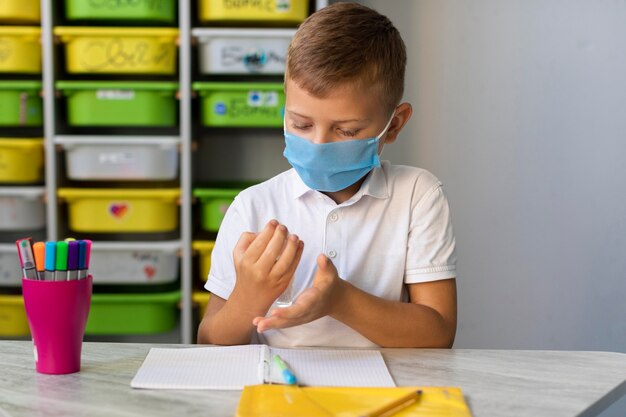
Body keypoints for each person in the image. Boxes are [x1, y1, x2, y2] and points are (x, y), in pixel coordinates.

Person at [197, 2, 457, 348]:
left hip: (383, 393)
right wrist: (248, 298)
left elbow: (438, 335)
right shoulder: (253, 207)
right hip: (278, 392)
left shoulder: (416, 195)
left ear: (393, 124)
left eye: (346, 131)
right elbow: (208, 342)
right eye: (301, 124)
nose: (318, 144)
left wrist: (341, 301)